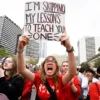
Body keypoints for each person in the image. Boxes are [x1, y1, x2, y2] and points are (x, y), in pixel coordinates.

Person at [17, 28, 76, 100]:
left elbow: (72, 72)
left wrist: (69, 47)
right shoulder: (37, 78)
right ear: (43, 66)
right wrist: (20, 49)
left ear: (56, 67)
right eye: (47, 61)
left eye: (53, 61)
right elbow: (21, 70)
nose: (50, 62)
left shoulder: (61, 79)